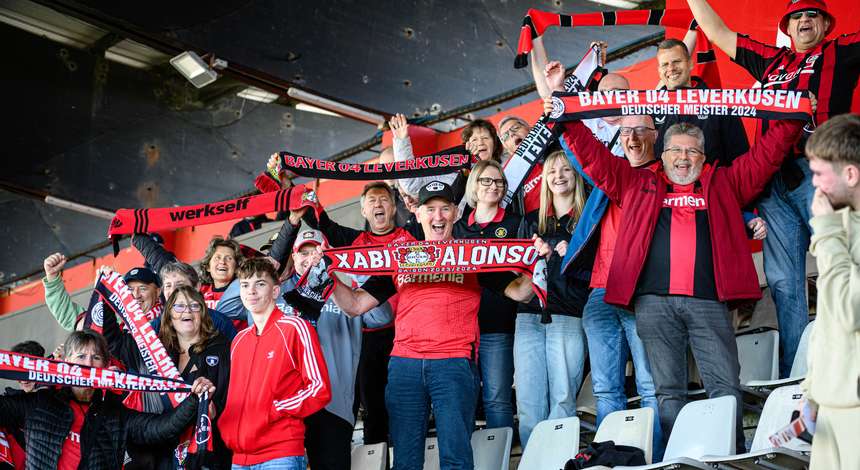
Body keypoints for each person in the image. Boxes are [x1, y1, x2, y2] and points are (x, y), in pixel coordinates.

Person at [545, 89, 804, 454]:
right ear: (663, 155)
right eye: (676, 151)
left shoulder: (725, 182)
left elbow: (767, 154)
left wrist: (793, 116)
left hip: (708, 301)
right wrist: (565, 115)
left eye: (691, 151)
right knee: (667, 393)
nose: (683, 158)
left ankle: (732, 454)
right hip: (654, 307)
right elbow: (593, 159)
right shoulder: (637, 183)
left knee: (725, 385)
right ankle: (676, 458)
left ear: (703, 155)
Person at [686, 0, 860, 377]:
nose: (804, 21)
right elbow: (716, 33)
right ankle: (799, 376)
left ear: (826, 23)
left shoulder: (841, 51)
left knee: (844, 267)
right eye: (797, 15)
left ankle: (851, 365)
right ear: (787, 25)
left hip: (820, 176)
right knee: (784, 283)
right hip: (771, 184)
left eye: (812, 14)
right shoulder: (772, 61)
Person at [323, 180, 540, 470]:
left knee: (456, 458)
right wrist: (328, 274)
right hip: (404, 366)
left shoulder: (473, 255)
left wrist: (539, 262)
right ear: (418, 214)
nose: (438, 216)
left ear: (455, 214)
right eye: (431, 209)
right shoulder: (401, 257)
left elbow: (519, 292)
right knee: (405, 460)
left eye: (445, 209)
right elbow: (354, 305)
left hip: (454, 363)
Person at [0, 329, 214, 469]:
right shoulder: (39, 402)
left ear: (105, 367)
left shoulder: (113, 412)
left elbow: (159, 428)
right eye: (81, 357)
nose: (88, 364)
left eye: (96, 357)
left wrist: (194, 399)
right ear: (65, 362)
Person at [101, 278, 232, 469]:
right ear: (169, 316)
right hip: (161, 452)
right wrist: (106, 292)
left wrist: (214, 410)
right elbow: (114, 344)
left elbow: (230, 401)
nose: (187, 310)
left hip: (205, 454)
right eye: (179, 306)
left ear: (203, 313)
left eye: (194, 305)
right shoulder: (156, 351)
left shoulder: (221, 350)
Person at [218, 258, 331, 470]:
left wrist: (275, 408)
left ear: (275, 291)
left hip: (280, 455)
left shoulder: (296, 327)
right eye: (245, 285)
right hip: (239, 457)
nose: (251, 291)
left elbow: (319, 388)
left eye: (260, 283)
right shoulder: (239, 340)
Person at [514, 150, 591, 449]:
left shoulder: (587, 220)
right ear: (544, 179)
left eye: (566, 170)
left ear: (576, 176)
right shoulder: (530, 222)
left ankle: (559, 460)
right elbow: (515, 271)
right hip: (529, 315)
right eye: (552, 171)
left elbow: (598, 270)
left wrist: (570, 254)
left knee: (562, 399)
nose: (559, 176)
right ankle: (535, 462)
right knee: (529, 401)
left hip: (569, 315)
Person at [802, 113, 860, 470]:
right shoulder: (840, 221)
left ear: (850, 174)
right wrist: (813, 390)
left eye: (819, 174)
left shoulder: (830, 226)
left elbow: (849, 309)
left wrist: (824, 231)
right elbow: (826, 323)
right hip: (830, 403)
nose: (814, 185)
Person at [454, 160, 522, 432]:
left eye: (499, 182)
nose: (493, 186)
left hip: (499, 325)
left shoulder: (516, 224)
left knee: (497, 401)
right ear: (474, 185)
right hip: (462, 332)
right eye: (486, 180)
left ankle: (500, 460)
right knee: (461, 401)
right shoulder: (457, 229)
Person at [652, 38, 750, 165]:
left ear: (690, 64)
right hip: (663, 184)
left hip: (712, 183)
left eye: (677, 61)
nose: (671, 68)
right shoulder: (650, 107)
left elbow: (740, 158)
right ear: (659, 71)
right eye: (665, 64)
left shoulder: (720, 104)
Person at [42, 254, 162, 331]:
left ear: (158, 292)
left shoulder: (168, 321)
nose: (136, 295)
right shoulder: (112, 318)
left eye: (143, 288)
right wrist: (52, 277)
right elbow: (69, 315)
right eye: (129, 289)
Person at [133, 234, 245, 311]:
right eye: (217, 258)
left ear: (236, 267)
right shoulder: (198, 290)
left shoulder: (245, 290)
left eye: (229, 258)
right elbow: (165, 265)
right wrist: (139, 238)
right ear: (207, 267)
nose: (222, 262)